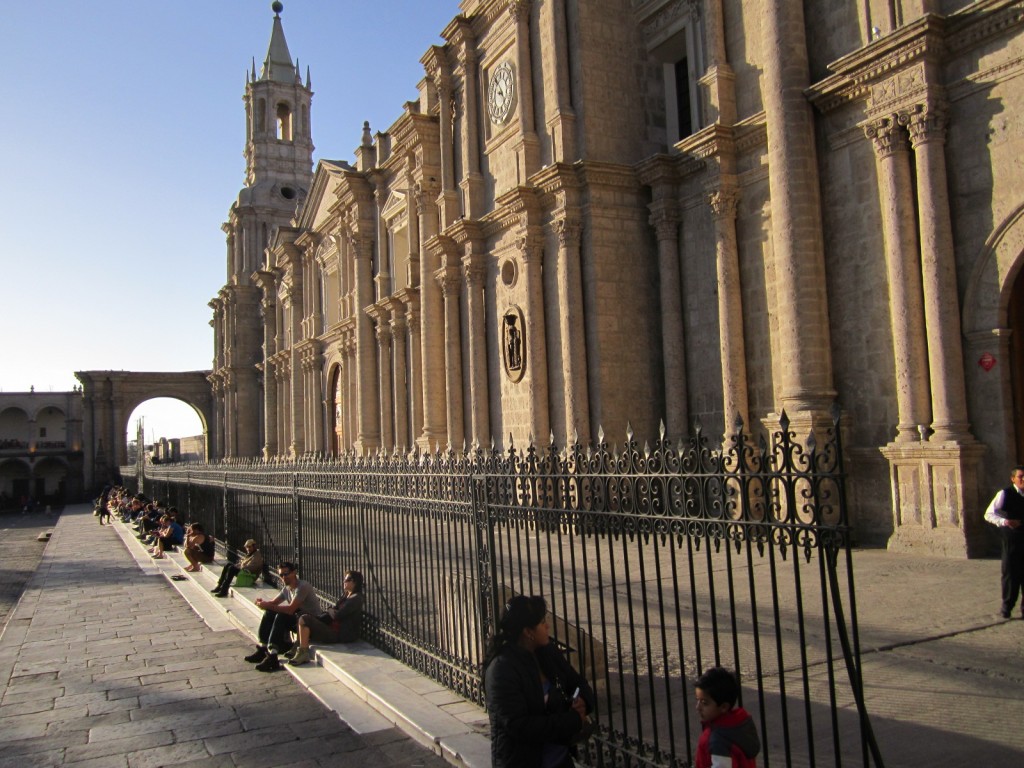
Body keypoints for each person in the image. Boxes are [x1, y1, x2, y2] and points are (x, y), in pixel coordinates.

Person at [482, 595, 595, 768]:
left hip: (560, 760)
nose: (547, 626)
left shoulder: (547, 651)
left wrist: (583, 703)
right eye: (542, 623)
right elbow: (519, 726)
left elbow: (577, 682)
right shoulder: (501, 670)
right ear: (528, 632)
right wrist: (571, 720)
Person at [244, 561, 317, 672]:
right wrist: (262, 603)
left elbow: (290, 609)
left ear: (294, 573)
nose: (283, 577)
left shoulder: (302, 586)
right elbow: (273, 604)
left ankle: (273, 656)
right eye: (281, 575)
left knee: (281, 616)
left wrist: (268, 605)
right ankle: (264, 648)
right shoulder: (287, 588)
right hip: (297, 619)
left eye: (286, 574)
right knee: (269, 612)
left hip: (309, 623)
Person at [287, 570, 364, 666]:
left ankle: (303, 652)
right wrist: (332, 611)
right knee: (300, 614)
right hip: (331, 626)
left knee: (305, 619)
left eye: (347, 580)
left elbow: (339, 615)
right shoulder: (347, 595)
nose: (344, 582)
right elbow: (334, 610)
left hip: (339, 633)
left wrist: (333, 612)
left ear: (354, 582)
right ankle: (299, 645)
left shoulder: (356, 598)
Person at [693, 666, 760, 768]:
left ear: (723, 707)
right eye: (697, 700)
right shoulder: (738, 726)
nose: (698, 707)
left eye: (704, 703)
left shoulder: (718, 740)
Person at [984, 464, 1024, 618]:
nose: (1023, 479)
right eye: (1020, 477)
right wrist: (1006, 522)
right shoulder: (1005, 494)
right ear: (1013, 479)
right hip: (1012, 540)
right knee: (1010, 574)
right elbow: (989, 514)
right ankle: (1007, 606)